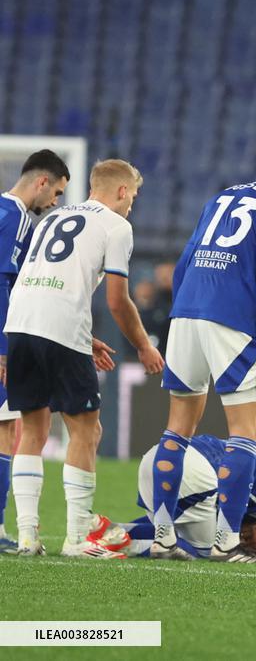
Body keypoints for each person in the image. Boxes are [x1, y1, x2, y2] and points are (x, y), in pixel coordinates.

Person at [149, 139, 256, 563]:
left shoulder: (222, 195)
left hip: (185, 312)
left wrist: (180, 315)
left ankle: (163, 536)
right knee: (244, 430)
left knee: (178, 427)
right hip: (232, 319)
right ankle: (225, 541)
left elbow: (185, 261)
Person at [5, 159, 164, 558]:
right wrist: (144, 346)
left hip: (20, 324)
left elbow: (40, 280)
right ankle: (77, 539)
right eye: (135, 197)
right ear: (123, 191)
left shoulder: (51, 218)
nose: (133, 206)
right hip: (59, 328)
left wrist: (84, 334)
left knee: (33, 430)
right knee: (87, 432)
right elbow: (117, 300)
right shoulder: (117, 226)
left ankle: (27, 537)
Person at [0, 150, 71, 553]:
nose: (56, 203)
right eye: (57, 192)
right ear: (42, 182)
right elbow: (1, 283)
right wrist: (3, 347)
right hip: (3, 336)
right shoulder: (15, 218)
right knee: (5, 429)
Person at [122, 434, 256, 562]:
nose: (246, 543)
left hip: (160, 459)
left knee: (173, 532)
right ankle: (124, 547)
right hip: (192, 465)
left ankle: (114, 532)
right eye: (254, 545)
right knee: (209, 551)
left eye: (249, 549)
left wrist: (132, 526)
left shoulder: (231, 515)